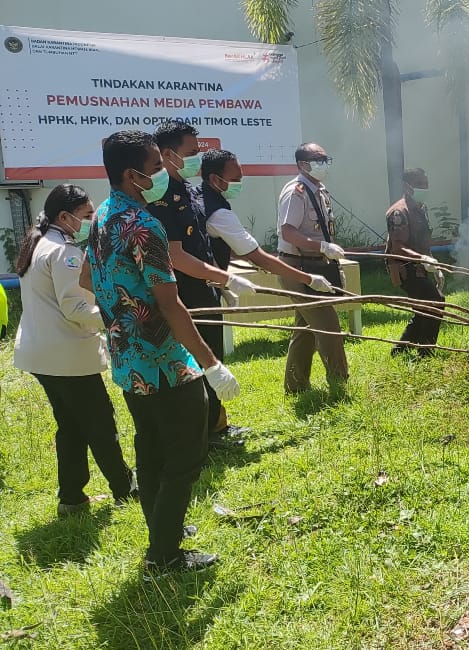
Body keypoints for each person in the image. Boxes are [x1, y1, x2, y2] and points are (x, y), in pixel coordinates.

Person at [85, 129, 240, 575]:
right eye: (156, 168)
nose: (164, 174)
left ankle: (162, 530)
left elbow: (88, 282)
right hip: (166, 363)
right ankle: (166, 554)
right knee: (186, 457)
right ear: (134, 175)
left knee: (150, 448)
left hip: (128, 359)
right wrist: (210, 363)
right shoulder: (145, 226)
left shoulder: (101, 218)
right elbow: (170, 304)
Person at [13, 184, 136, 517]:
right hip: (66, 356)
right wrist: (116, 318)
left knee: (71, 424)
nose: (92, 220)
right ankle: (125, 488)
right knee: (100, 423)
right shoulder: (65, 252)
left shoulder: (38, 243)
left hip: (43, 354)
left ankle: (71, 497)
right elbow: (75, 308)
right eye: (87, 215)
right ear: (65, 217)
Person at [150, 121, 255, 450]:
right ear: (169, 155)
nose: (197, 158)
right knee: (199, 365)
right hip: (185, 297)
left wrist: (218, 281)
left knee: (213, 358)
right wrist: (226, 277)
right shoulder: (164, 196)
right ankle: (203, 437)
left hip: (204, 290)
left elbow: (200, 248)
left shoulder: (186, 190)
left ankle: (216, 427)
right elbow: (176, 256)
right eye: (191, 153)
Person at [200, 149, 334, 293]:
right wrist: (309, 279)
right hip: (298, 264)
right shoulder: (219, 214)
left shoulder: (201, 198)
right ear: (215, 179)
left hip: (205, 281)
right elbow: (258, 256)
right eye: (234, 180)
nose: (239, 184)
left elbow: (221, 246)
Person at [276, 142, 350, 393]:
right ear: (302, 164)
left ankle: (295, 387)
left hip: (315, 265)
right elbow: (287, 231)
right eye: (318, 159)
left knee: (305, 328)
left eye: (325, 158)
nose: (324, 163)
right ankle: (339, 382)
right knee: (328, 326)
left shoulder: (318, 189)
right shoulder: (295, 192)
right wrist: (321, 247)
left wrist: (325, 250)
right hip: (298, 266)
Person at [386, 168, 445, 356]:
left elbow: (422, 241)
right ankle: (426, 350)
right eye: (419, 184)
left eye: (426, 184)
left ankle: (401, 349)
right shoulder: (399, 212)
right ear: (406, 186)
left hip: (421, 266)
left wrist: (434, 266)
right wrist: (422, 259)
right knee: (436, 301)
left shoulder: (420, 208)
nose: (424, 188)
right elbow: (398, 247)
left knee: (423, 308)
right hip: (405, 268)